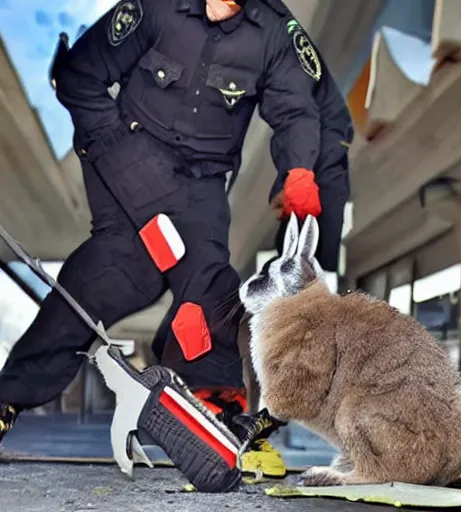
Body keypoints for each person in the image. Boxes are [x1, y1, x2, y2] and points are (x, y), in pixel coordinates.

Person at [0, 0, 351, 475]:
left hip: (202, 181)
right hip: (126, 151)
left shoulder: (272, 32)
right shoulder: (156, 8)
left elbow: (296, 112)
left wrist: (299, 170)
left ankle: (217, 411)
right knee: (114, 272)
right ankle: (8, 398)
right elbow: (79, 77)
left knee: (211, 285)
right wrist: (124, 164)